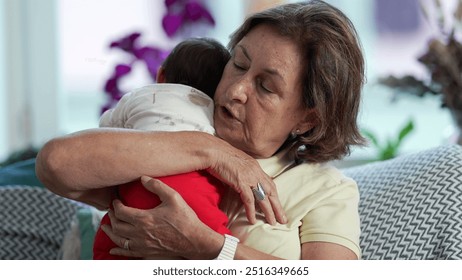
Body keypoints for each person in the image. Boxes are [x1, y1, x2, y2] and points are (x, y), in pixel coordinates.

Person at [36, 0, 366, 260]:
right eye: (238, 64)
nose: (236, 89)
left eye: (265, 87)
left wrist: (207, 247)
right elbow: (54, 164)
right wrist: (210, 150)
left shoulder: (325, 192)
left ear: (308, 119)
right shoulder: (172, 136)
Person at [93, 37, 232, 259]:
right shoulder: (217, 111)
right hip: (195, 193)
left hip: (140, 189)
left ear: (161, 75)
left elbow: (105, 132)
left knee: (110, 242)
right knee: (215, 236)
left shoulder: (141, 95)